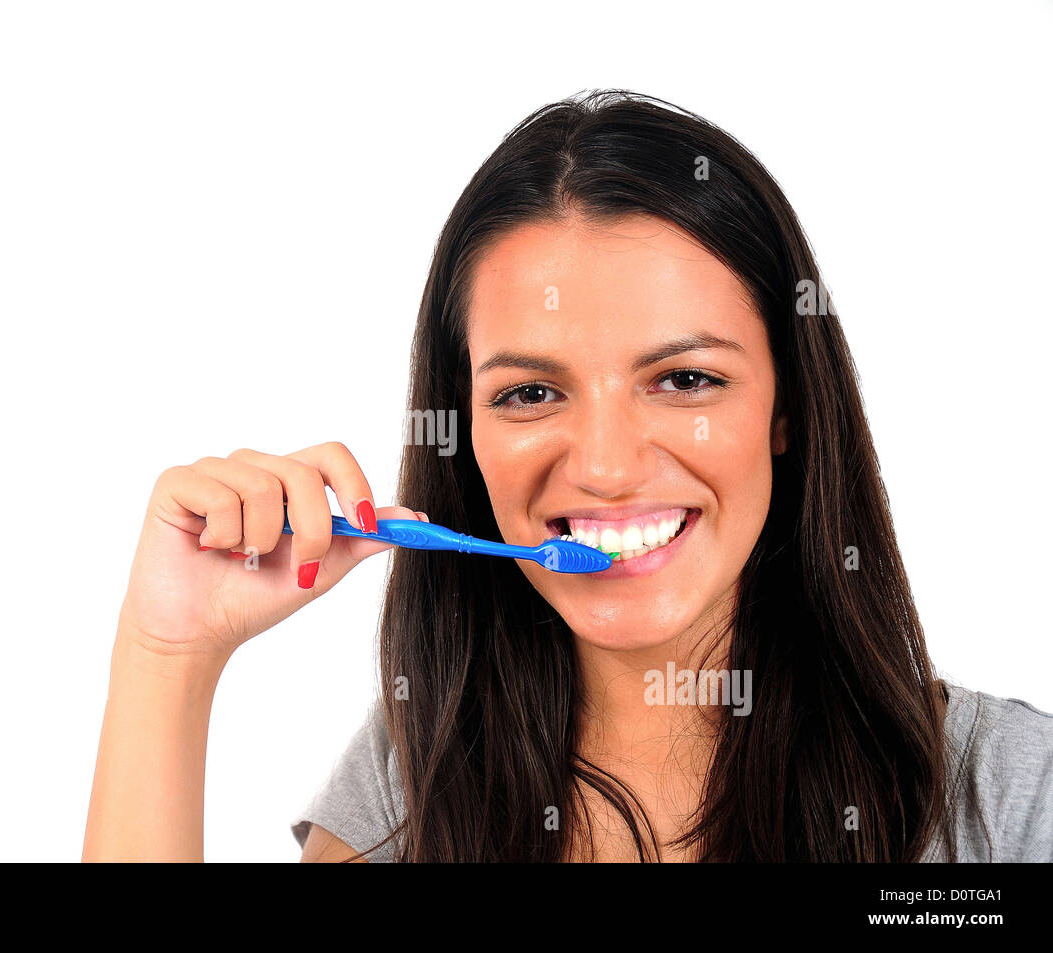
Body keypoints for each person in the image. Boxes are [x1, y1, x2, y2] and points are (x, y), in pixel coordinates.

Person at [82, 89, 1053, 863]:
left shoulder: (1010, 795)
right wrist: (169, 657)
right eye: (531, 393)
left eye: (684, 378)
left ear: (788, 407)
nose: (604, 463)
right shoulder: (407, 793)